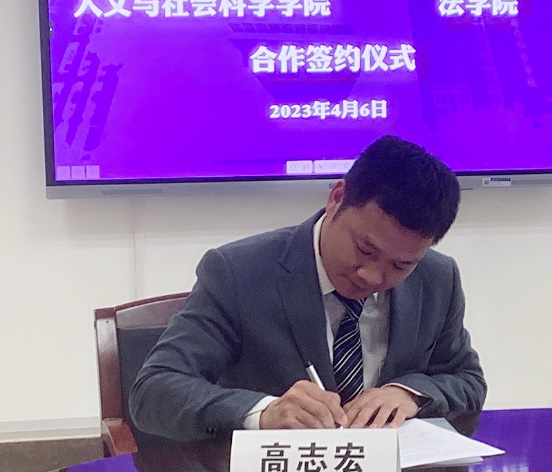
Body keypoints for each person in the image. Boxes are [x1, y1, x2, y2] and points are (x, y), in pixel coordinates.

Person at [130, 135, 486, 442]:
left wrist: (410, 393)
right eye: (365, 249)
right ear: (337, 198)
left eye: (400, 265)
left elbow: (466, 379)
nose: (372, 276)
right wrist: (264, 413)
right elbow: (154, 391)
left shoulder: (437, 279)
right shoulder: (238, 272)